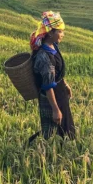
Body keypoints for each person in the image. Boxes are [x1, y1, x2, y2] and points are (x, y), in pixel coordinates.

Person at [27, 11, 75, 144]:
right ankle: (42, 151)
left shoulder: (53, 46)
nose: (62, 35)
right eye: (60, 32)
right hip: (52, 97)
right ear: (50, 33)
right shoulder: (44, 57)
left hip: (59, 92)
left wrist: (65, 84)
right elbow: (48, 86)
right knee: (53, 130)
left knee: (66, 127)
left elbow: (57, 72)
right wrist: (55, 109)